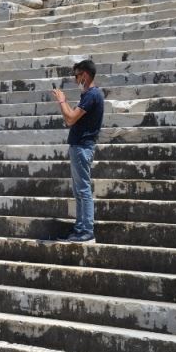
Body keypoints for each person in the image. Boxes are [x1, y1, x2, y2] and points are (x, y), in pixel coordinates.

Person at [51, 59, 104, 243]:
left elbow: (70, 119)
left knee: (83, 190)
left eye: (77, 76)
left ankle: (87, 229)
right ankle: (80, 227)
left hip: (82, 147)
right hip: (79, 147)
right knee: (79, 190)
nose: (76, 80)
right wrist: (64, 102)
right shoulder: (88, 95)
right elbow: (71, 118)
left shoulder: (92, 95)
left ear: (85, 75)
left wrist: (62, 100)